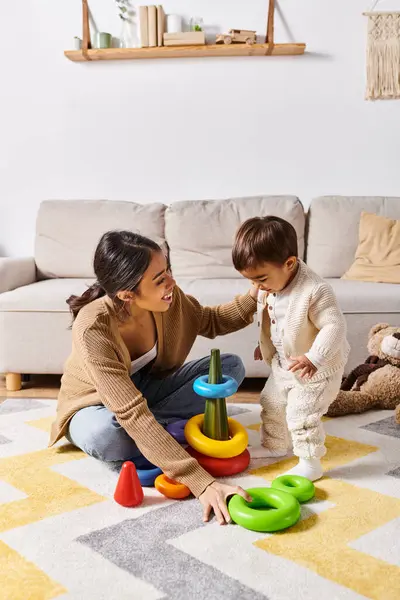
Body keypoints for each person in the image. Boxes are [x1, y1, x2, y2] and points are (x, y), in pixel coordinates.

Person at [49, 230, 258, 523]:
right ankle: (155, 433)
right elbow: (130, 411)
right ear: (127, 294)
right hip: (94, 407)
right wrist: (203, 483)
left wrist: (254, 296)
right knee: (109, 434)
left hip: (146, 395)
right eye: (159, 279)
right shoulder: (93, 328)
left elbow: (210, 320)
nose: (170, 282)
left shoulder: (168, 301)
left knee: (230, 368)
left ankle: (153, 432)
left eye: (168, 270)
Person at [232, 216, 350, 481]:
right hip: (284, 364)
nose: (257, 287)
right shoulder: (269, 286)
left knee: (301, 413)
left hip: (316, 370)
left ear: (289, 263)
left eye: (261, 279)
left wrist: (314, 357)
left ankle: (311, 462)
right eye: (251, 281)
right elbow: (274, 321)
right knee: (270, 402)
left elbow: (335, 326)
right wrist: (264, 345)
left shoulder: (316, 290)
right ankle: (274, 445)